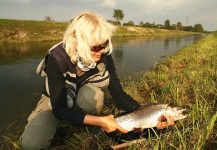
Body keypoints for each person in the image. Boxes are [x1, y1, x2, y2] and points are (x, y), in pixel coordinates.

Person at [20, 11, 174, 150]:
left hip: (82, 95)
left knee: (92, 95)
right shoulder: (57, 58)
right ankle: (69, 120)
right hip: (55, 101)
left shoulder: (104, 55)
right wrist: (100, 121)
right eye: (95, 47)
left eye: (104, 44)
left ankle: (76, 120)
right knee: (31, 144)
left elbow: (118, 93)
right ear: (76, 42)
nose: (101, 50)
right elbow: (59, 108)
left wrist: (146, 114)